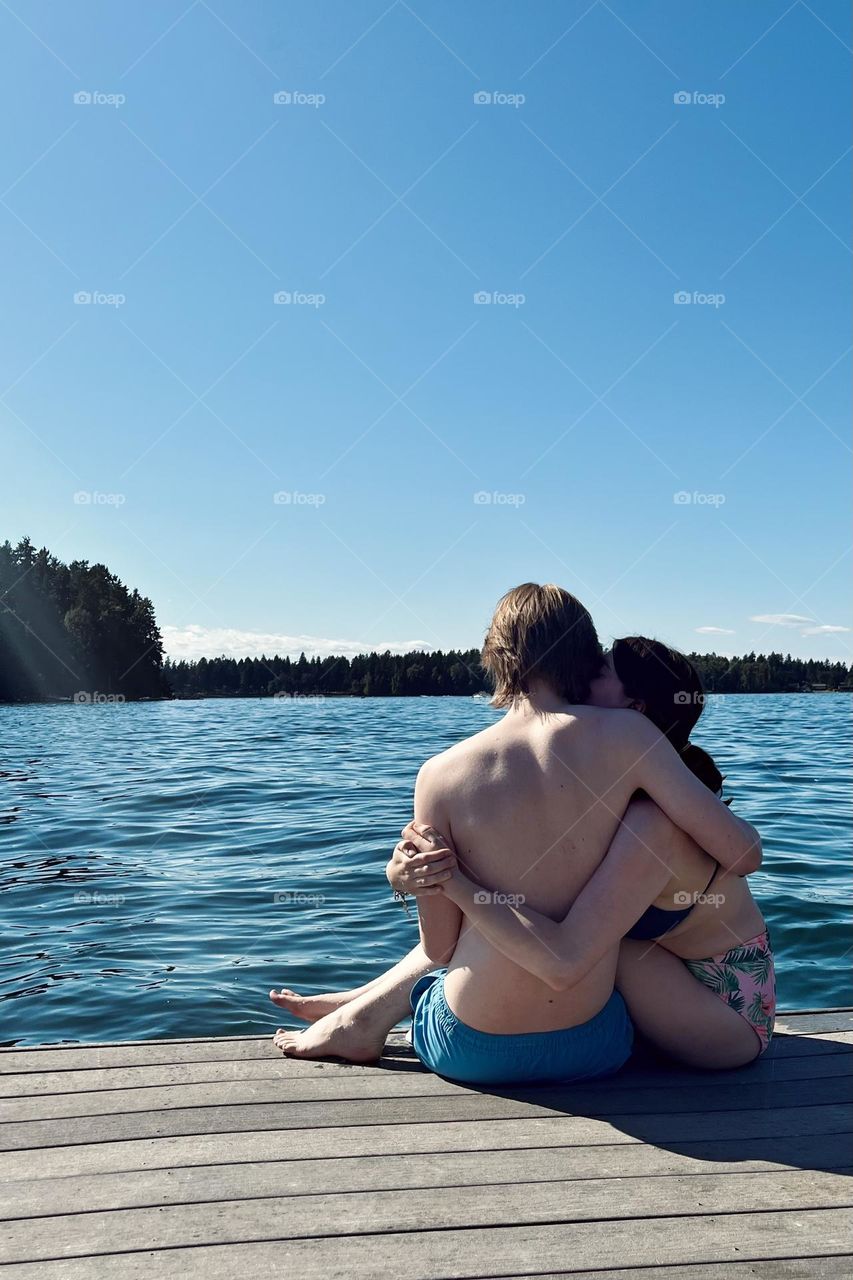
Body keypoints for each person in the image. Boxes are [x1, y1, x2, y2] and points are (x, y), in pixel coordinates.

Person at [271, 584, 764, 1084]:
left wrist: (440, 880)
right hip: (599, 1039)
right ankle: (358, 1006)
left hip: (697, 1014)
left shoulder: (438, 774)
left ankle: (360, 1016)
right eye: (594, 664)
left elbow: (441, 949)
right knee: (529, 908)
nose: (594, 678)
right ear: (579, 656)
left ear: (496, 656)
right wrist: (415, 875)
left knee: (490, 915)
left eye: (604, 673)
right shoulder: (630, 750)